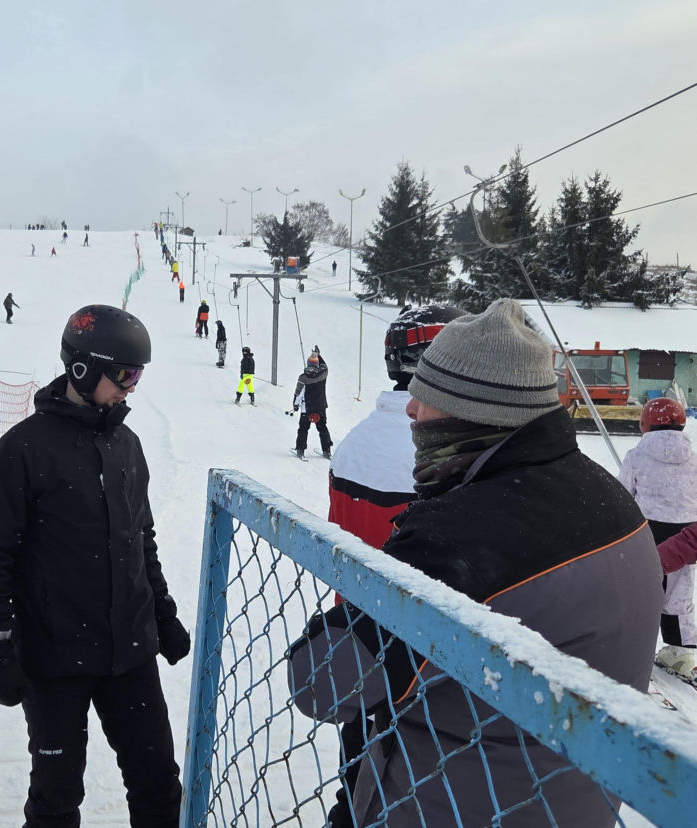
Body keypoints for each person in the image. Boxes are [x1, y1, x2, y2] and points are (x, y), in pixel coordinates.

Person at [287, 298, 662, 827]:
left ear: (476, 408)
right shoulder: (611, 498)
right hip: (574, 804)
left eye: (428, 394)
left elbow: (319, 682)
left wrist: (346, 612)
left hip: (447, 802)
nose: (411, 409)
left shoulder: (459, 539)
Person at [0, 304, 189, 827]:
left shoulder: (128, 445)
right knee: (56, 798)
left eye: (139, 375)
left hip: (130, 652)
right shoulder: (23, 449)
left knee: (158, 784)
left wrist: (162, 613)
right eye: (125, 374)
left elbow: (142, 540)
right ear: (84, 368)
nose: (132, 387)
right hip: (55, 658)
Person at [323, 304, 465, 826]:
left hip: (359, 638)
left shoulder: (356, 441)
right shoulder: (433, 451)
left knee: (358, 776)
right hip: (420, 654)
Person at [616, 397, 697, 681]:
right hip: (686, 534)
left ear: (644, 424)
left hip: (647, 530)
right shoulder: (694, 456)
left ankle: (633, 643)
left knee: (641, 585)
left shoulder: (636, 456)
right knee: (678, 592)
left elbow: (623, 495)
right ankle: (679, 650)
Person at [291, 347, 331, 459]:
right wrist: (318, 355)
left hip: (306, 408)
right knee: (322, 428)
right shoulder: (323, 374)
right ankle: (327, 451)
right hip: (320, 407)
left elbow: (298, 393)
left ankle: (300, 450)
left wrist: (295, 405)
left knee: (303, 429)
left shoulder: (303, 378)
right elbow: (325, 366)